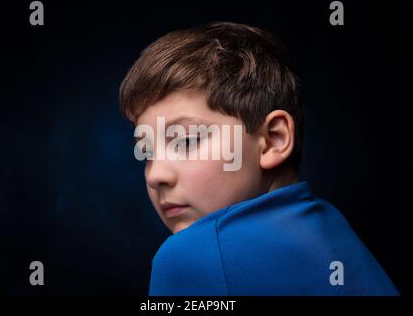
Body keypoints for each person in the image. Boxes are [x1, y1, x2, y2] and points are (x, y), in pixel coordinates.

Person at [119, 21, 399, 295]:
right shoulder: (330, 226)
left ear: (273, 140)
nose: (156, 176)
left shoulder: (192, 256)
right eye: (147, 152)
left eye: (187, 140)